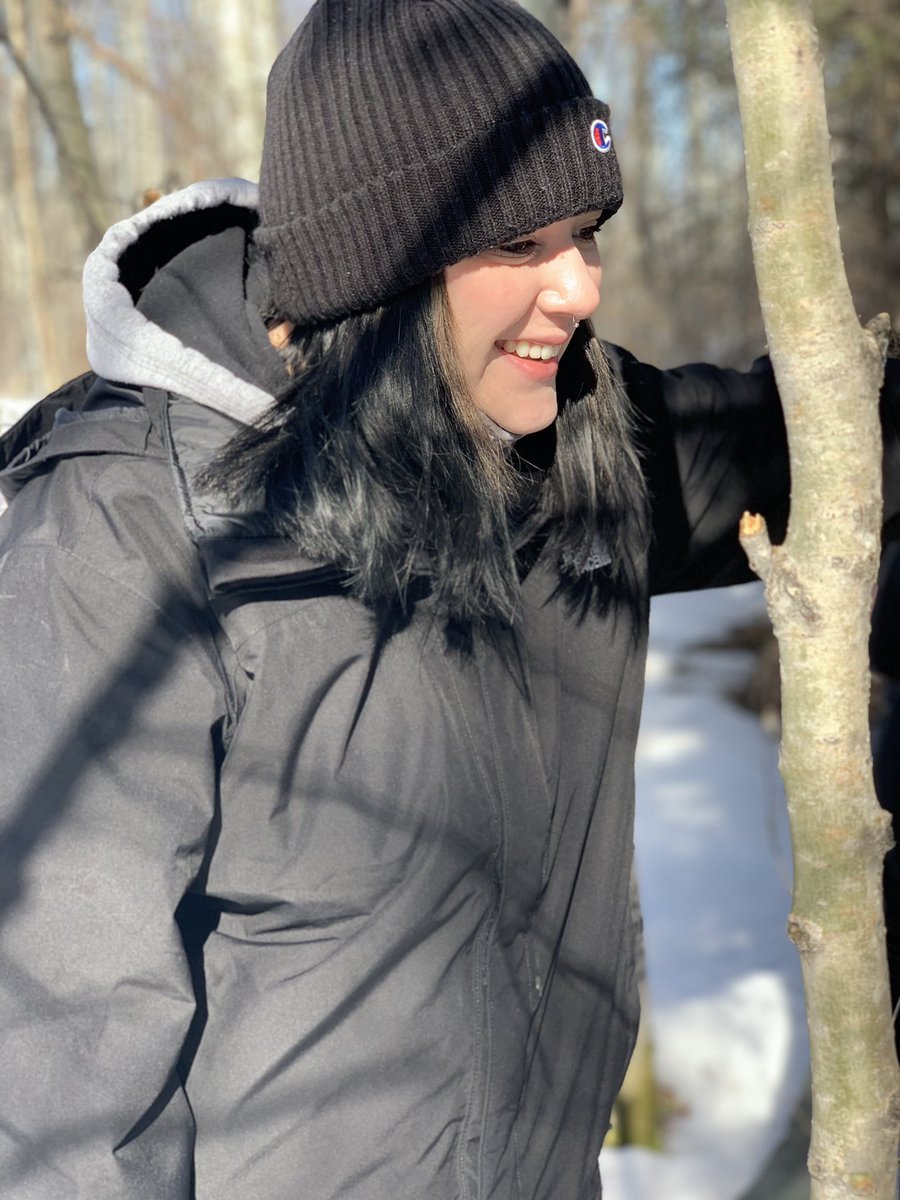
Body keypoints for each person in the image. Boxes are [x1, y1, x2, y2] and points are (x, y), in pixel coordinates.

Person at [0, 1, 896, 1197]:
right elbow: (57, 1071)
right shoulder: (135, 520)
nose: (578, 285)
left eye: (587, 231)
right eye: (520, 245)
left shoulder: (570, 439)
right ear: (379, 263)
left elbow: (824, 450)